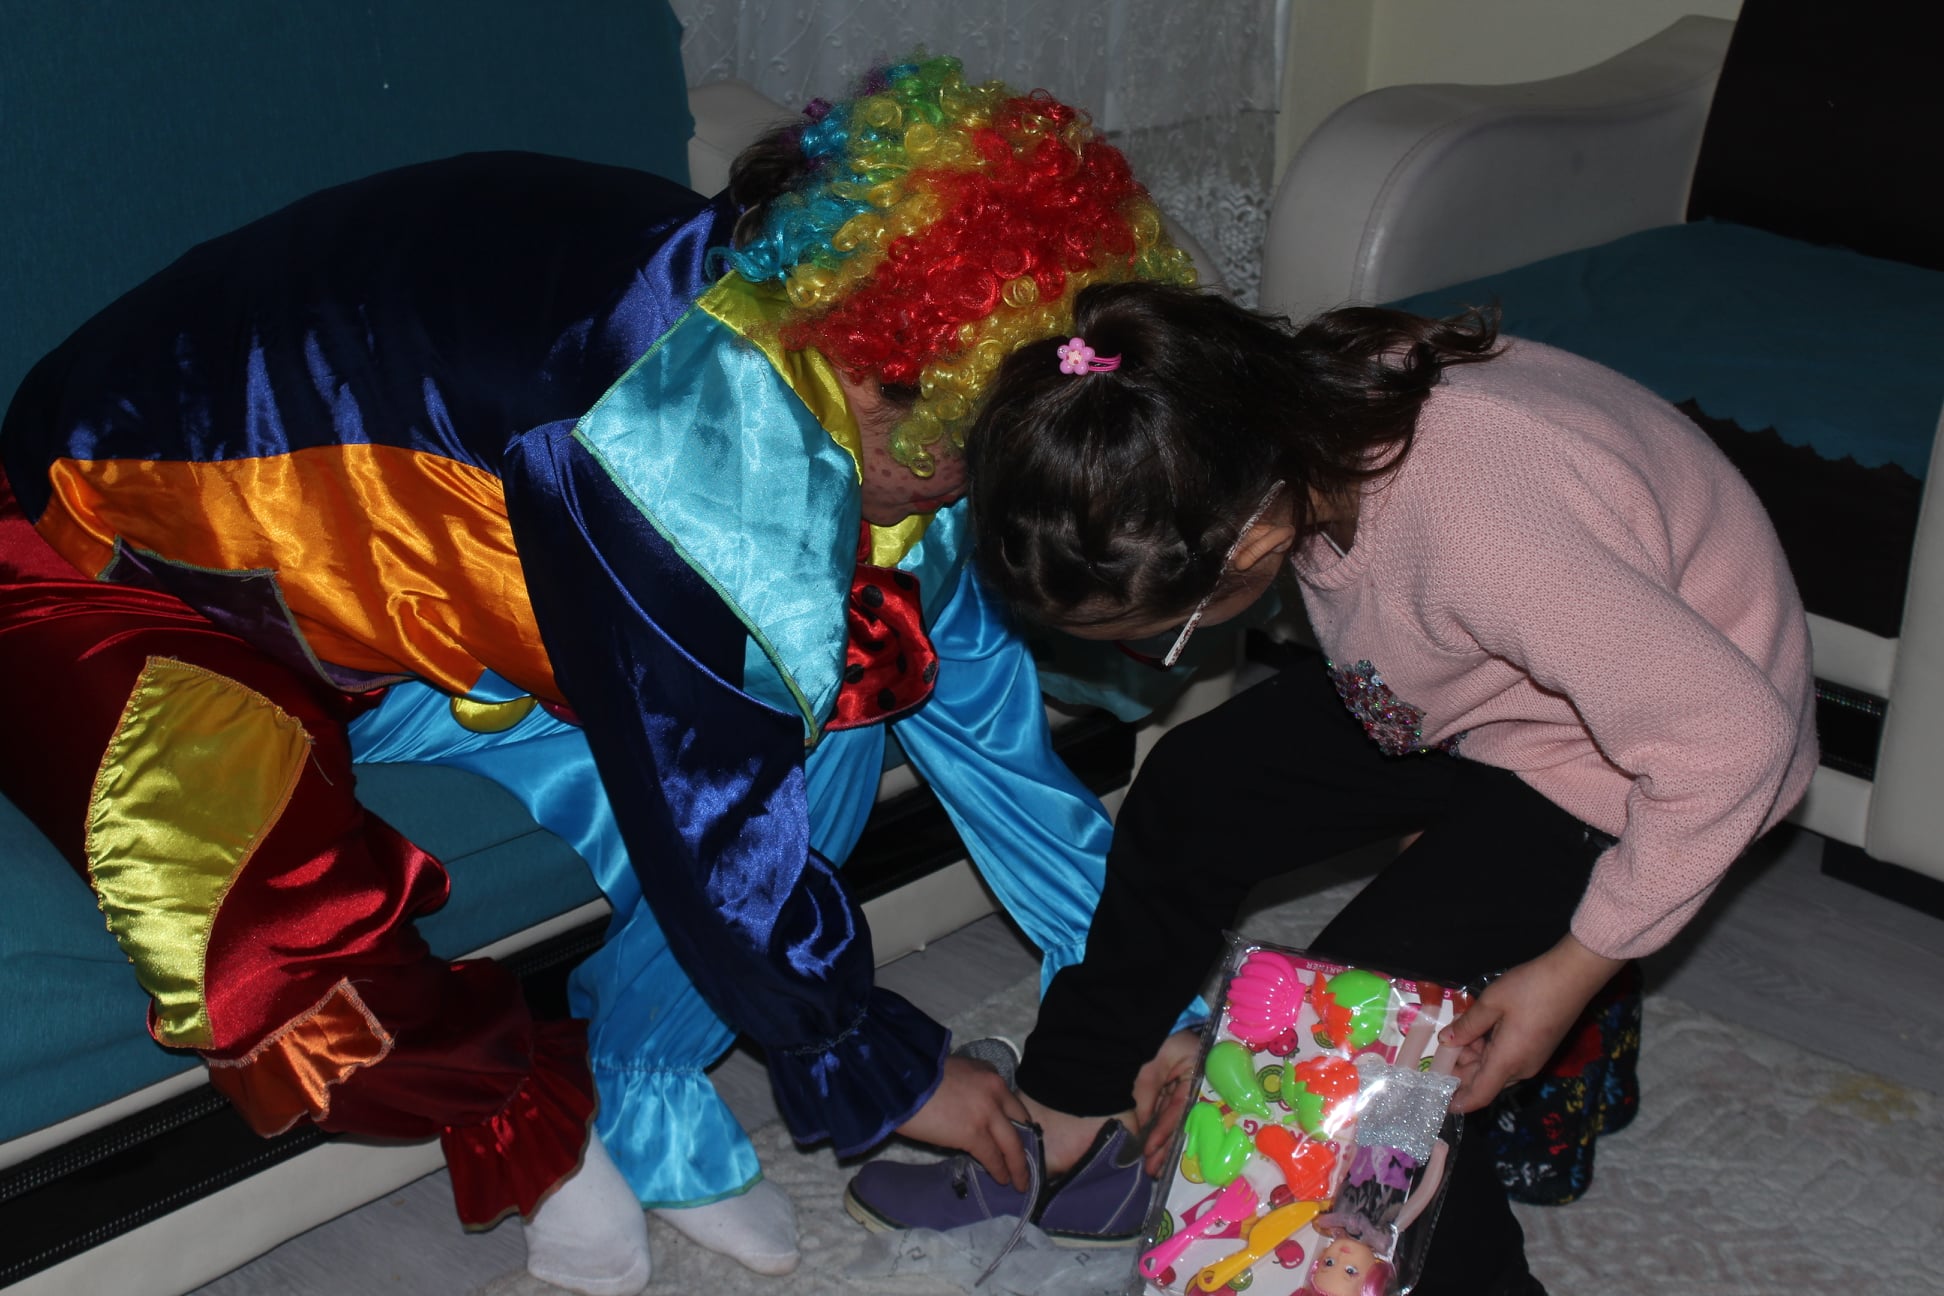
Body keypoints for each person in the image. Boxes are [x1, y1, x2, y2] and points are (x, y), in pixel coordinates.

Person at [0, 59, 1196, 1295]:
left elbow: (988, 728)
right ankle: (532, 1113)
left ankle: (644, 1080)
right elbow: (714, 818)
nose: (952, 499)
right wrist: (882, 1062)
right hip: (114, 571)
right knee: (269, 956)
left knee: (850, 687)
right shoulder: (669, 435)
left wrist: (1136, 1002)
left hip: (442, 617)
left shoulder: (858, 380)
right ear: (872, 366)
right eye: (954, 465)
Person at [846, 282, 1817, 1294]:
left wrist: (1574, 967)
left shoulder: (1481, 535)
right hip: (1496, 686)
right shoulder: (1260, 423)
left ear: (1252, 542)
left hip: (1641, 757)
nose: (1154, 652)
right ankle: (1072, 1118)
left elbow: (1743, 744)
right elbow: (1409, 619)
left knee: (1359, 1039)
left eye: (1159, 636)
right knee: (1195, 789)